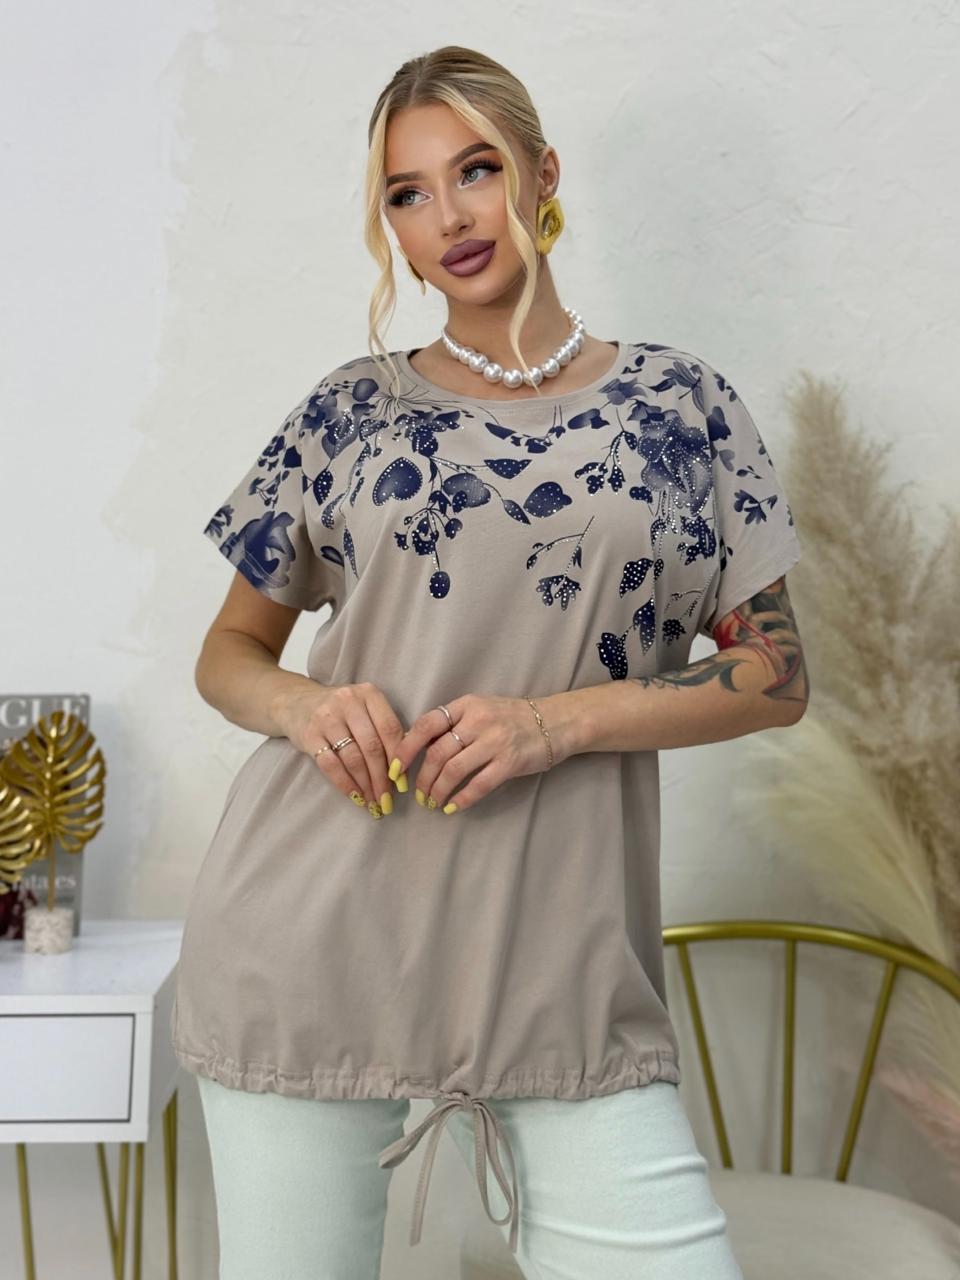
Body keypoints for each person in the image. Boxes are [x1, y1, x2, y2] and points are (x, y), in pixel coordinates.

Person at [171, 44, 808, 1280]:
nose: (451, 216)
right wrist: (304, 706)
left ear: (541, 173)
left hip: (558, 962)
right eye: (408, 193)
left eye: (476, 170)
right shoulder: (350, 412)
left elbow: (778, 674)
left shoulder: (682, 406)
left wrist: (554, 722)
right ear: (392, 230)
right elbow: (230, 651)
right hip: (306, 938)